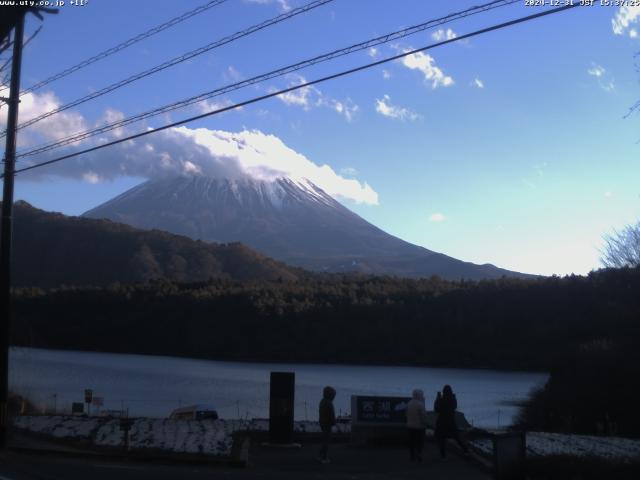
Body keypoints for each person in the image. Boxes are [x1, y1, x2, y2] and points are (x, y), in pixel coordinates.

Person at [434, 385, 468, 459]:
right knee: (457, 437)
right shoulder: (452, 400)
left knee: (441, 439)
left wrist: (437, 399)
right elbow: (454, 406)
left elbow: (436, 409)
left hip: (442, 422)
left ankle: (443, 455)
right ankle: (465, 450)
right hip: (451, 421)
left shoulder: (442, 400)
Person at [406, 388, 428, 462]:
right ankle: (419, 455)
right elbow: (423, 416)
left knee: (411, 442)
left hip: (410, 426)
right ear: (420, 395)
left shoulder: (409, 403)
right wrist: (425, 423)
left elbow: (406, 414)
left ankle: (412, 456)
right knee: (419, 442)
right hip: (419, 427)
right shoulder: (420, 404)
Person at [318, 386, 336, 464]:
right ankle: (324, 457)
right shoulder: (329, 403)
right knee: (326, 441)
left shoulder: (322, 401)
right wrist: (333, 422)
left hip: (322, 422)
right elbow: (331, 414)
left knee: (324, 439)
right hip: (327, 423)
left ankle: (320, 455)